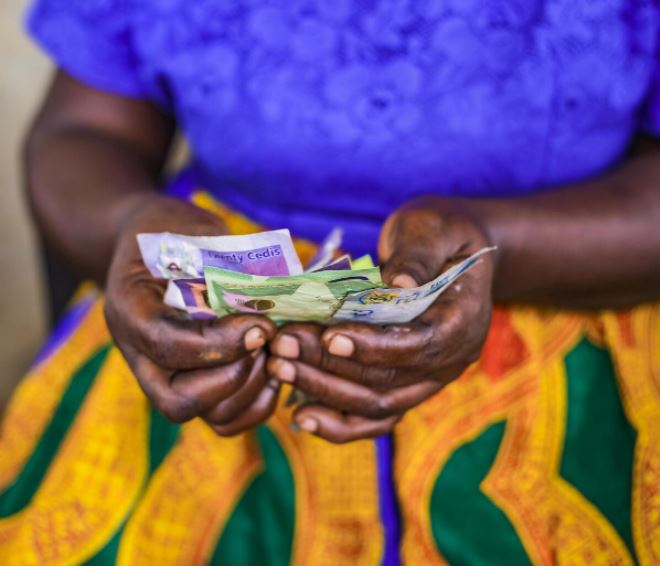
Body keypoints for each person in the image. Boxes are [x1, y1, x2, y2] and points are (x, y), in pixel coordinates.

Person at [1, 1, 659, 564]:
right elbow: (82, 131)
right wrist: (130, 229)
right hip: (201, 321)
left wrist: (498, 245)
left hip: (575, 320)